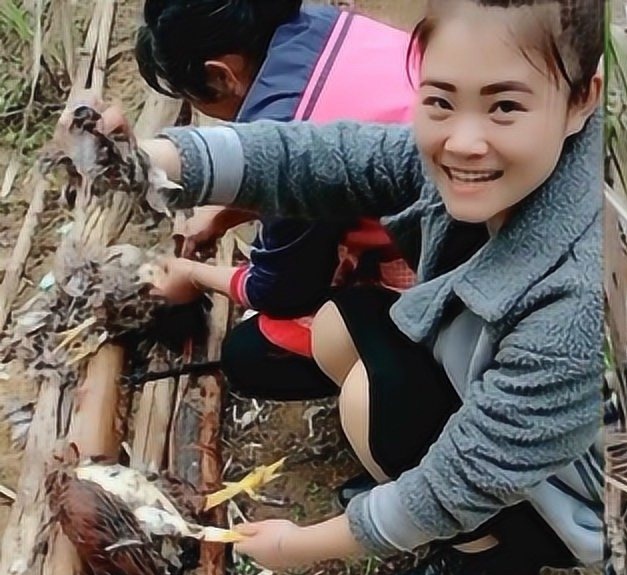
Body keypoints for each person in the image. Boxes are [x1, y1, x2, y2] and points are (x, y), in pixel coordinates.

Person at [69, 0, 605, 575]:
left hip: (561, 483)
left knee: (367, 407)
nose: (462, 139)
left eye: (504, 105)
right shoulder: (493, 156)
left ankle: (494, 561)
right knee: (338, 327)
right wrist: (147, 162)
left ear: (581, 100)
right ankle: (412, 487)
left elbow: (469, 474)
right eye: (439, 100)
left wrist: (302, 545)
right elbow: (322, 157)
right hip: (484, 375)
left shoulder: (576, 298)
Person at [136, 0, 418, 409]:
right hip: (470, 195)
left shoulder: (285, 122)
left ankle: (420, 397)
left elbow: (280, 290)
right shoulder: (321, 20)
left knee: (253, 356)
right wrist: (227, 213)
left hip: (454, 264)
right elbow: (341, 167)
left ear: (220, 75)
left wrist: (192, 274)